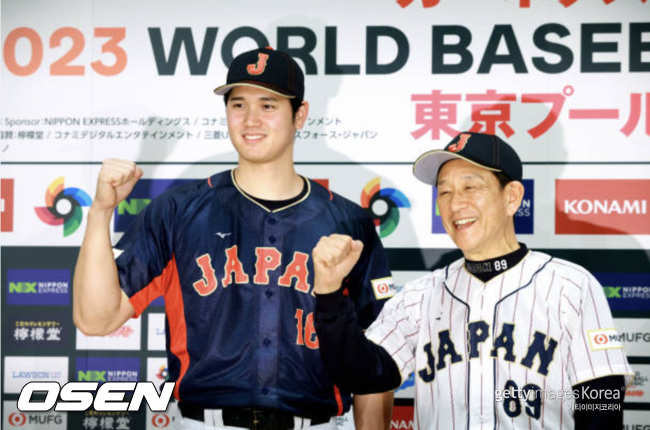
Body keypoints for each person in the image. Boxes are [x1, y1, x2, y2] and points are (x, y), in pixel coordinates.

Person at [73, 47, 395, 430]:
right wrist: (100, 213)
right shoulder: (178, 211)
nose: (250, 119)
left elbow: (374, 354)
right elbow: (95, 319)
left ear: (300, 115)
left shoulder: (349, 222)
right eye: (238, 104)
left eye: (268, 105)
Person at [312, 132, 634, 429]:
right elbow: (361, 373)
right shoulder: (419, 297)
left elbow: (602, 405)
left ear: (512, 197)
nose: (455, 204)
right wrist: (328, 293)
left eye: (471, 187)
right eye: (445, 191)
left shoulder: (571, 287)